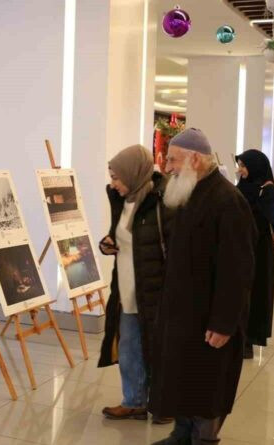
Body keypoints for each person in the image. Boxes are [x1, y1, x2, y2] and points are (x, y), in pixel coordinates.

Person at [150, 129, 257, 445]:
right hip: (183, 314)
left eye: (172, 159)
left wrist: (224, 322)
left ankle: (203, 440)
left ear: (194, 159)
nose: (167, 167)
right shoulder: (190, 191)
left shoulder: (227, 201)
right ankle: (181, 434)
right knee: (182, 377)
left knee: (207, 384)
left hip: (211, 318)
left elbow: (237, 270)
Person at [97, 145, 174, 425]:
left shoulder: (162, 200)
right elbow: (119, 236)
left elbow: (173, 248)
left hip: (154, 289)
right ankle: (134, 402)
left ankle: (164, 404)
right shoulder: (122, 200)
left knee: (158, 348)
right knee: (129, 347)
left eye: (116, 176)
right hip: (126, 287)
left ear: (133, 172)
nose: (112, 183)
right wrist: (107, 244)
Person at [235, 149, 274, 359]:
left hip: (258, 251)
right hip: (242, 247)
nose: (240, 170)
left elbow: (263, 219)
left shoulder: (266, 190)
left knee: (255, 293)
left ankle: (249, 340)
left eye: (243, 166)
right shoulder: (242, 187)